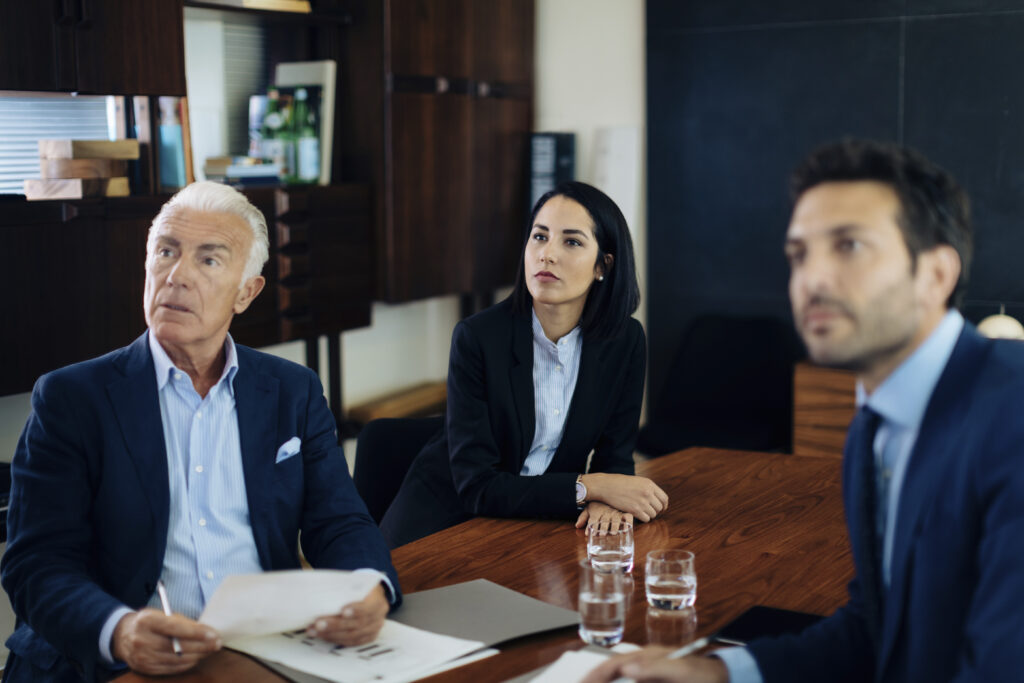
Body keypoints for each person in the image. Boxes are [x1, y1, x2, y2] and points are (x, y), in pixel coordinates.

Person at [583, 139, 1024, 683]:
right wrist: (718, 673)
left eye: (850, 246)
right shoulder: (871, 431)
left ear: (935, 274)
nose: (812, 279)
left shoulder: (1012, 414)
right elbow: (873, 631)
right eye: (799, 255)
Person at [1, 182, 401, 682]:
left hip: (256, 652)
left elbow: (339, 522)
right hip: (116, 664)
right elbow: (36, 565)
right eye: (166, 251)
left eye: (209, 260)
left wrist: (368, 584)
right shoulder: (70, 398)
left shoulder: (291, 391)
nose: (177, 275)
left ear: (246, 292)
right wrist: (119, 630)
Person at [380, 181, 668, 547]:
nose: (547, 255)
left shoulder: (624, 341)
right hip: (446, 525)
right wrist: (589, 488)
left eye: (572, 241)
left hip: (537, 524)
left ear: (603, 266)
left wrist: (606, 500)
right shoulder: (478, 337)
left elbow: (616, 455)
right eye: (539, 236)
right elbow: (478, 487)